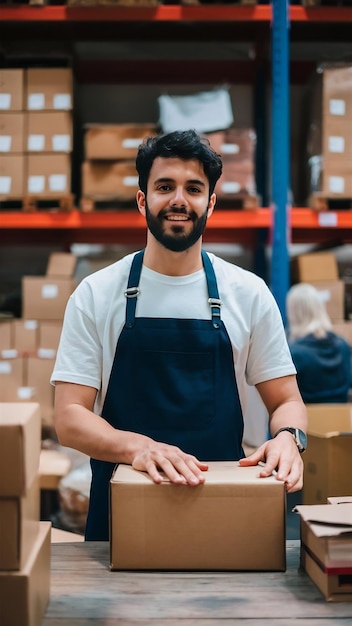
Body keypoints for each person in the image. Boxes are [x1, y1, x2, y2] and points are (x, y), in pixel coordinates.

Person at [51, 129, 307, 541]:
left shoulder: (248, 293)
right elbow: (69, 418)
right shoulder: (96, 294)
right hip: (122, 517)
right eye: (164, 186)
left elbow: (287, 399)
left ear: (210, 202)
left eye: (193, 188)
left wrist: (288, 439)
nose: (178, 200)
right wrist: (140, 449)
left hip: (222, 511)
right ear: (142, 200)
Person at [286, 282, 352, 404]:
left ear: (293, 313)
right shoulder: (343, 345)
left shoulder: (293, 353)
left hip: (308, 420)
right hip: (341, 419)